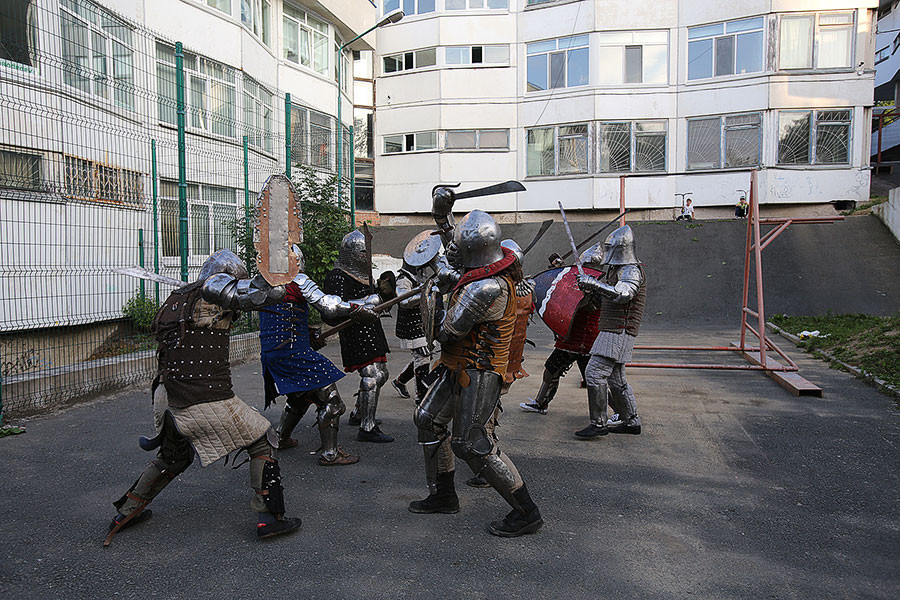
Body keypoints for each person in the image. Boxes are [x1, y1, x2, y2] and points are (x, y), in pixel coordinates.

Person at [106, 249, 305, 545]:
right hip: (201, 397)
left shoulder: (178, 298)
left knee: (174, 457)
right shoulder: (213, 296)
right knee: (264, 439)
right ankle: (270, 518)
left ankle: (126, 511)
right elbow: (264, 295)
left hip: (166, 396)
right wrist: (278, 270)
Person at [410, 191, 543, 538]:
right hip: (457, 366)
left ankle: (526, 512)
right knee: (427, 419)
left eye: (459, 249)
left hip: (479, 372)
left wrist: (435, 293)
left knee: (471, 443)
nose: (453, 252)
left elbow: (446, 332)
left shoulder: (485, 288)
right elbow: (455, 263)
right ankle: (443, 494)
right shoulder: (483, 273)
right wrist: (442, 215)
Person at [262, 247, 380, 466]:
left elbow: (282, 320)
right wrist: (359, 307)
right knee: (332, 401)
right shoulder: (298, 281)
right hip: (294, 354)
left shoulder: (264, 285)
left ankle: (280, 437)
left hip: (273, 354)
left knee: (300, 397)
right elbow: (329, 305)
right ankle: (330, 453)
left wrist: (307, 333)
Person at [574, 225, 646, 439]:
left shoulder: (631, 269)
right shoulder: (617, 269)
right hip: (614, 329)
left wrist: (595, 284)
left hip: (618, 330)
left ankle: (598, 423)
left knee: (594, 373)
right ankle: (631, 420)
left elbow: (623, 295)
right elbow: (607, 299)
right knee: (616, 380)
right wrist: (591, 289)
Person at [323, 230, 394, 443]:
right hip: (355, 331)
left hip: (371, 329)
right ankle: (367, 427)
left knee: (382, 374)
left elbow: (374, 301)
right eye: (363, 252)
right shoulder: (337, 275)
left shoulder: (364, 275)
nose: (366, 256)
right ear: (351, 253)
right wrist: (365, 303)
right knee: (372, 376)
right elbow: (332, 308)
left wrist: (383, 295)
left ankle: (359, 413)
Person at [520, 241, 605, 415]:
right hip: (570, 339)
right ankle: (541, 403)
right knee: (551, 370)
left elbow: (580, 302)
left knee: (593, 380)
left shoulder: (600, 288)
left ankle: (615, 412)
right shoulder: (581, 281)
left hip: (587, 341)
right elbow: (567, 290)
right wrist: (559, 270)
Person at [391, 230, 443, 404]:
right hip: (412, 326)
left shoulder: (421, 276)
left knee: (425, 355)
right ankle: (422, 397)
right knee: (423, 357)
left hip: (424, 323)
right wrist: (423, 293)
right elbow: (403, 301)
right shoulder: (403, 278)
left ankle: (400, 381)